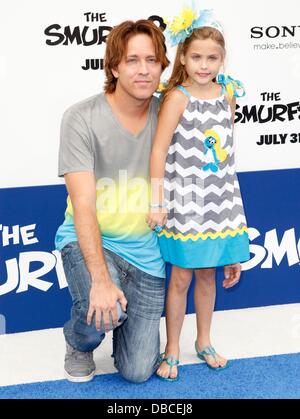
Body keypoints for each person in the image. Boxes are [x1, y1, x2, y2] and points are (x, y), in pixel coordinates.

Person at [55, 19, 169, 383]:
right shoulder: (80, 117)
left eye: (152, 60)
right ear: (114, 66)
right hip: (91, 239)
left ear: (163, 66)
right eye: (132, 60)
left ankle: (122, 325)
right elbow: (84, 204)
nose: (143, 70)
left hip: (145, 251)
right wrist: (101, 280)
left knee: (138, 372)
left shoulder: (169, 114)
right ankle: (79, 340)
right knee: (101, 308)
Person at [147, 7, 250, 380]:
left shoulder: (228, 94)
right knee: (181, 277)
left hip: (220, 202)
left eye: (212, 58)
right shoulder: (177, 98)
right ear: (183, 58)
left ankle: (203, 340)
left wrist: (230, 209)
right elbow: (158, 151)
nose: (204, 65)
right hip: (185, 202)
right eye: (196, 57)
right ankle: (172, 347)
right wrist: (158, 202)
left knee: (208, 275)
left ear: (222, 59)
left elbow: (224, 153)